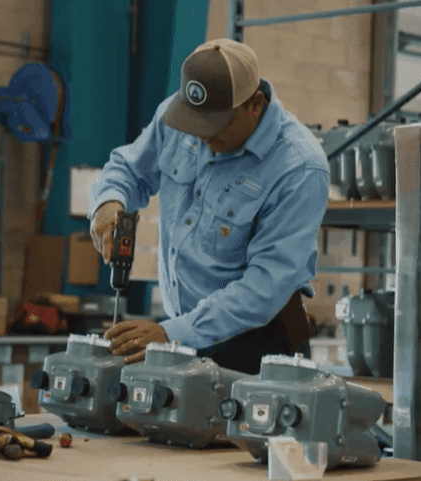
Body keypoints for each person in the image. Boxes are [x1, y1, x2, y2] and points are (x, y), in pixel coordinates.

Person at [88, 38, 328, 375]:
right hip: (183, 335)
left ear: (254, 105)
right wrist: (108, 202)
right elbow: (128, 169)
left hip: (259, 346)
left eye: (214, 126)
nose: (201, 137)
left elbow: (265, 286)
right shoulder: (180, 118)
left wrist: (171, 333)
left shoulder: (299, 168)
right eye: (194, 123)